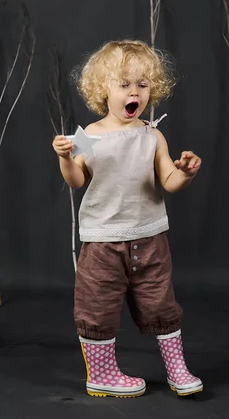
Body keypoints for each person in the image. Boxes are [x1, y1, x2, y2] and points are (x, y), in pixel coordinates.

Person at [52, 40, 203, 398]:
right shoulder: (87, 136)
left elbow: (169, 181)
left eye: (143, 84)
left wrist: (186, 172)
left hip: (150, 238)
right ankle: (102, 375)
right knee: (98, 305)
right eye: (124, 84)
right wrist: (65, 158)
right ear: (102, 88)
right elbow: (76, 180)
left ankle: (177, 369)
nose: (134, 92)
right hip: (102, 241)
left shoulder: (152, 135)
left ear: (153, 89)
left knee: (161, 303)